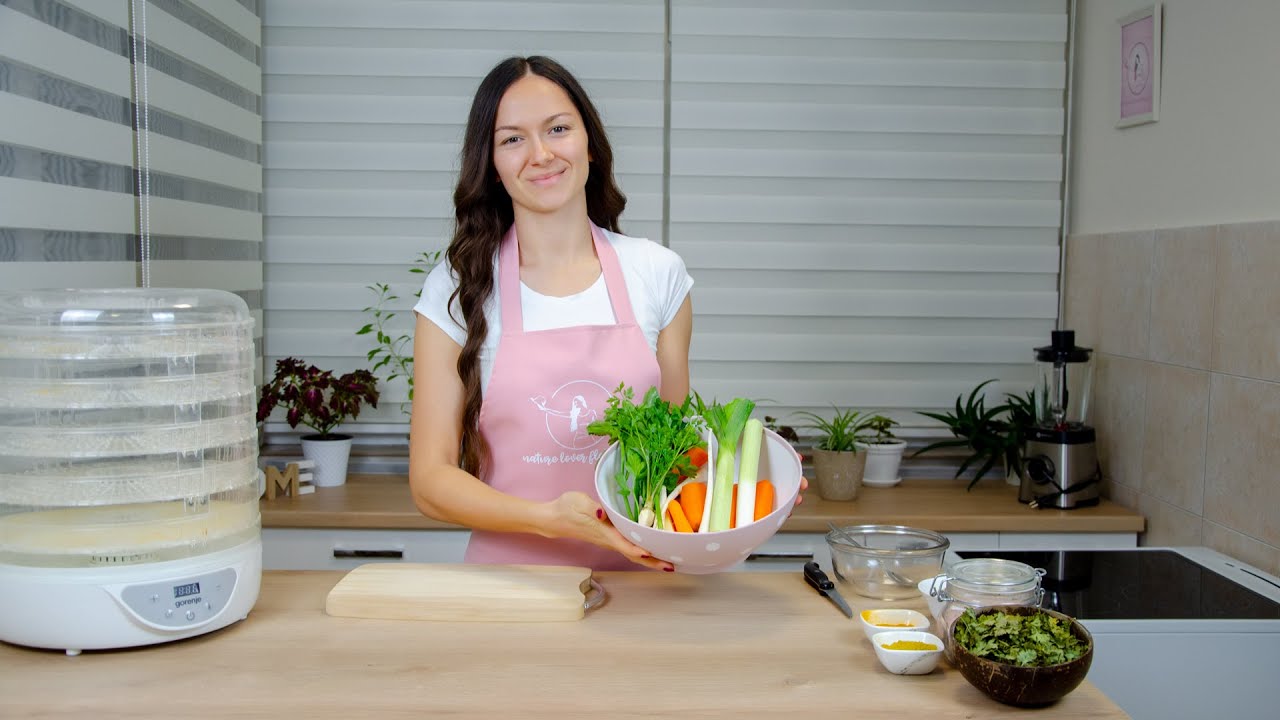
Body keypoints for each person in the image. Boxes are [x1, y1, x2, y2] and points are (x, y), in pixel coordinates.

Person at [408, 56, 691, 572]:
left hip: (645, 584)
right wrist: (548, 518)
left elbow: (677, 456)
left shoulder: (657, 272)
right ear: (491, 163)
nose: (540, 154)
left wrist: (753, 483)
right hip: (510, 593)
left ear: (589, 142)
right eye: (512, 139)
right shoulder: (458, 287)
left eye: (558, 129)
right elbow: (430, 481)